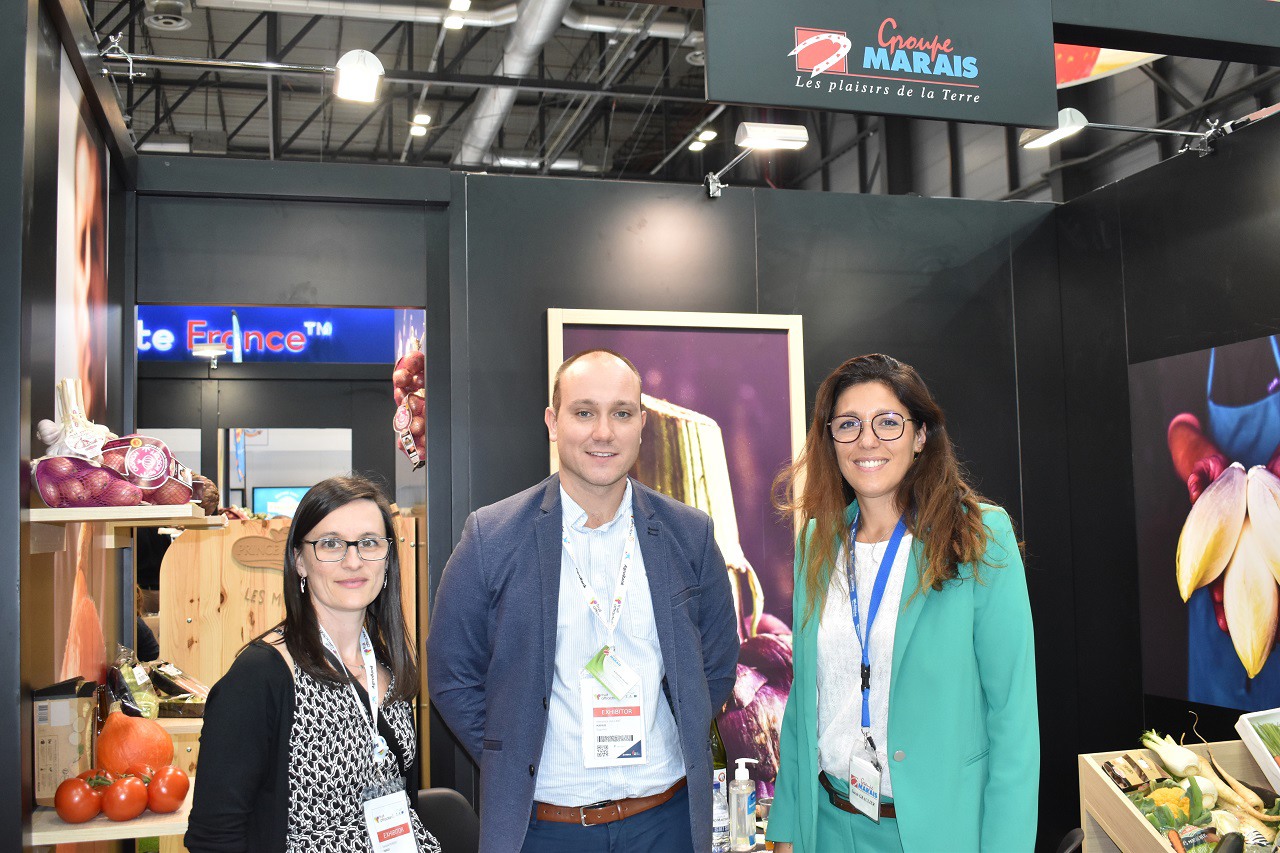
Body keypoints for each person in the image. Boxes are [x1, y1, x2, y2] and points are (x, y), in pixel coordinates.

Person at [428, 349, 740, 853]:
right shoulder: (492, 536)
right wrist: (514, 754)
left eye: (621, 413)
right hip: (546, 828)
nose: (604, 432)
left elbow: (718, 665)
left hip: (667, 821)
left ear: (642, 424)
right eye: (584, 412)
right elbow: (451, 674)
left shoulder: (690, 534)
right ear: (553, 423)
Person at [765, 354, 1038, 853]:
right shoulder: (816, 542)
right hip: (827, 827)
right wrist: (784, 830)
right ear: (830, 439)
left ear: (920, 436)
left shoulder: (978, 535)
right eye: (848, 424)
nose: (867, 440)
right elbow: (805, 700)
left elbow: (1012, 717)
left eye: (888, 422)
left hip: (936, 833)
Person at [186, 475, 440, 853]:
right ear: (299, 561)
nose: (353, 561)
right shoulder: (261, 677)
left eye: (369, 542)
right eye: (331, 544)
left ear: (387, 559)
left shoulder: (389, 666)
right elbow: (214, 837)